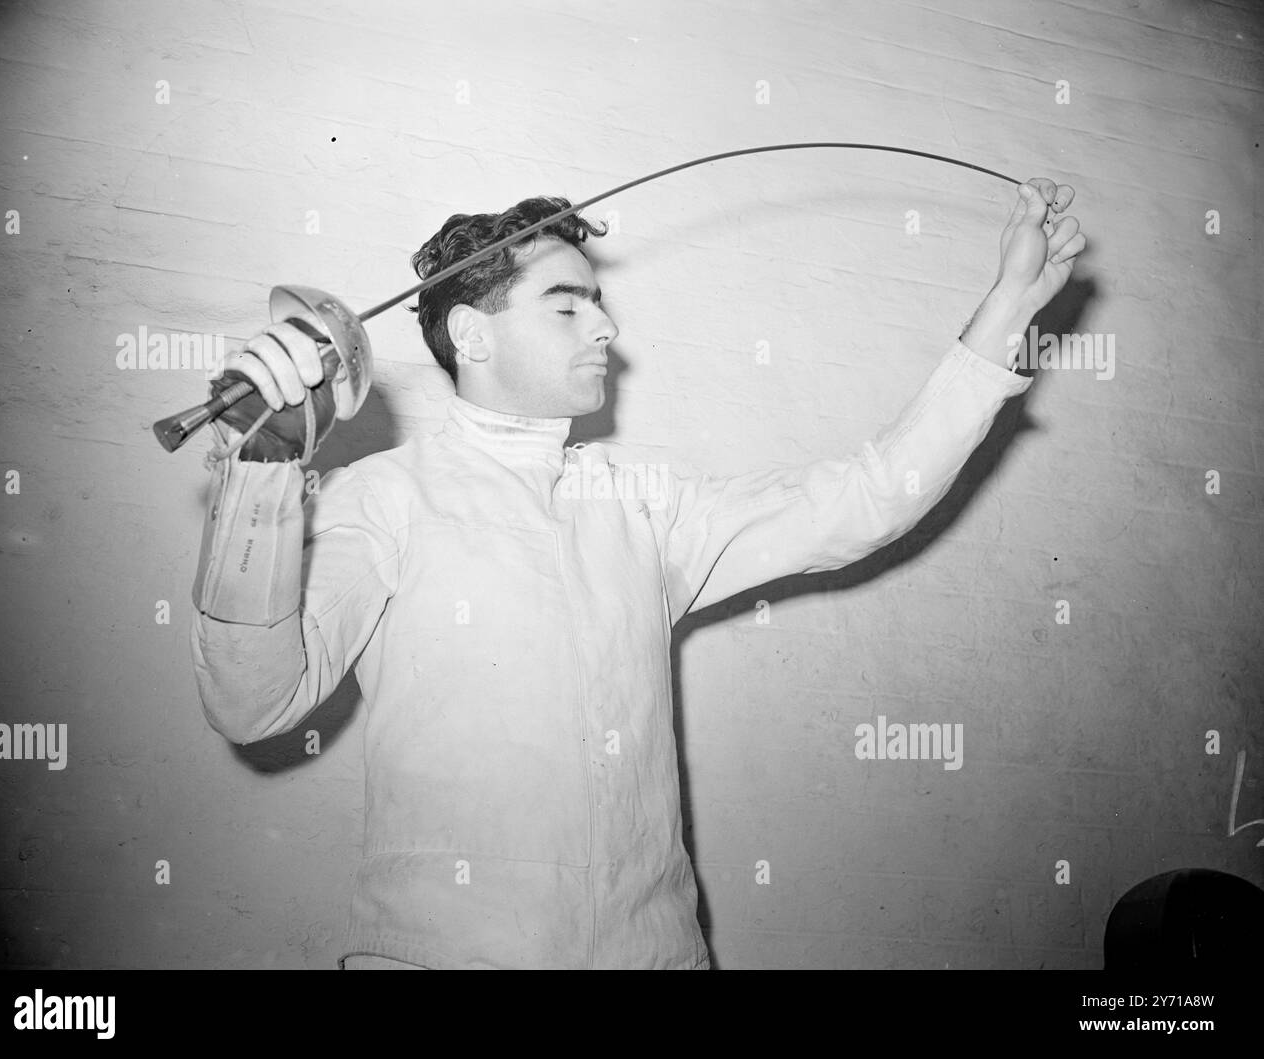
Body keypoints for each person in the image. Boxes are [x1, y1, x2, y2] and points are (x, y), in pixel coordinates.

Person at [189, 179, 1086, 969]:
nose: (608, 327)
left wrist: (1007, 307)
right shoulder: (381, 497)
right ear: (472, 333)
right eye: (569, 306)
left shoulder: (644, 504)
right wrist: (264, 472)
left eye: (599, 305)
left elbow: (865, 499)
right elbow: (254, 701)